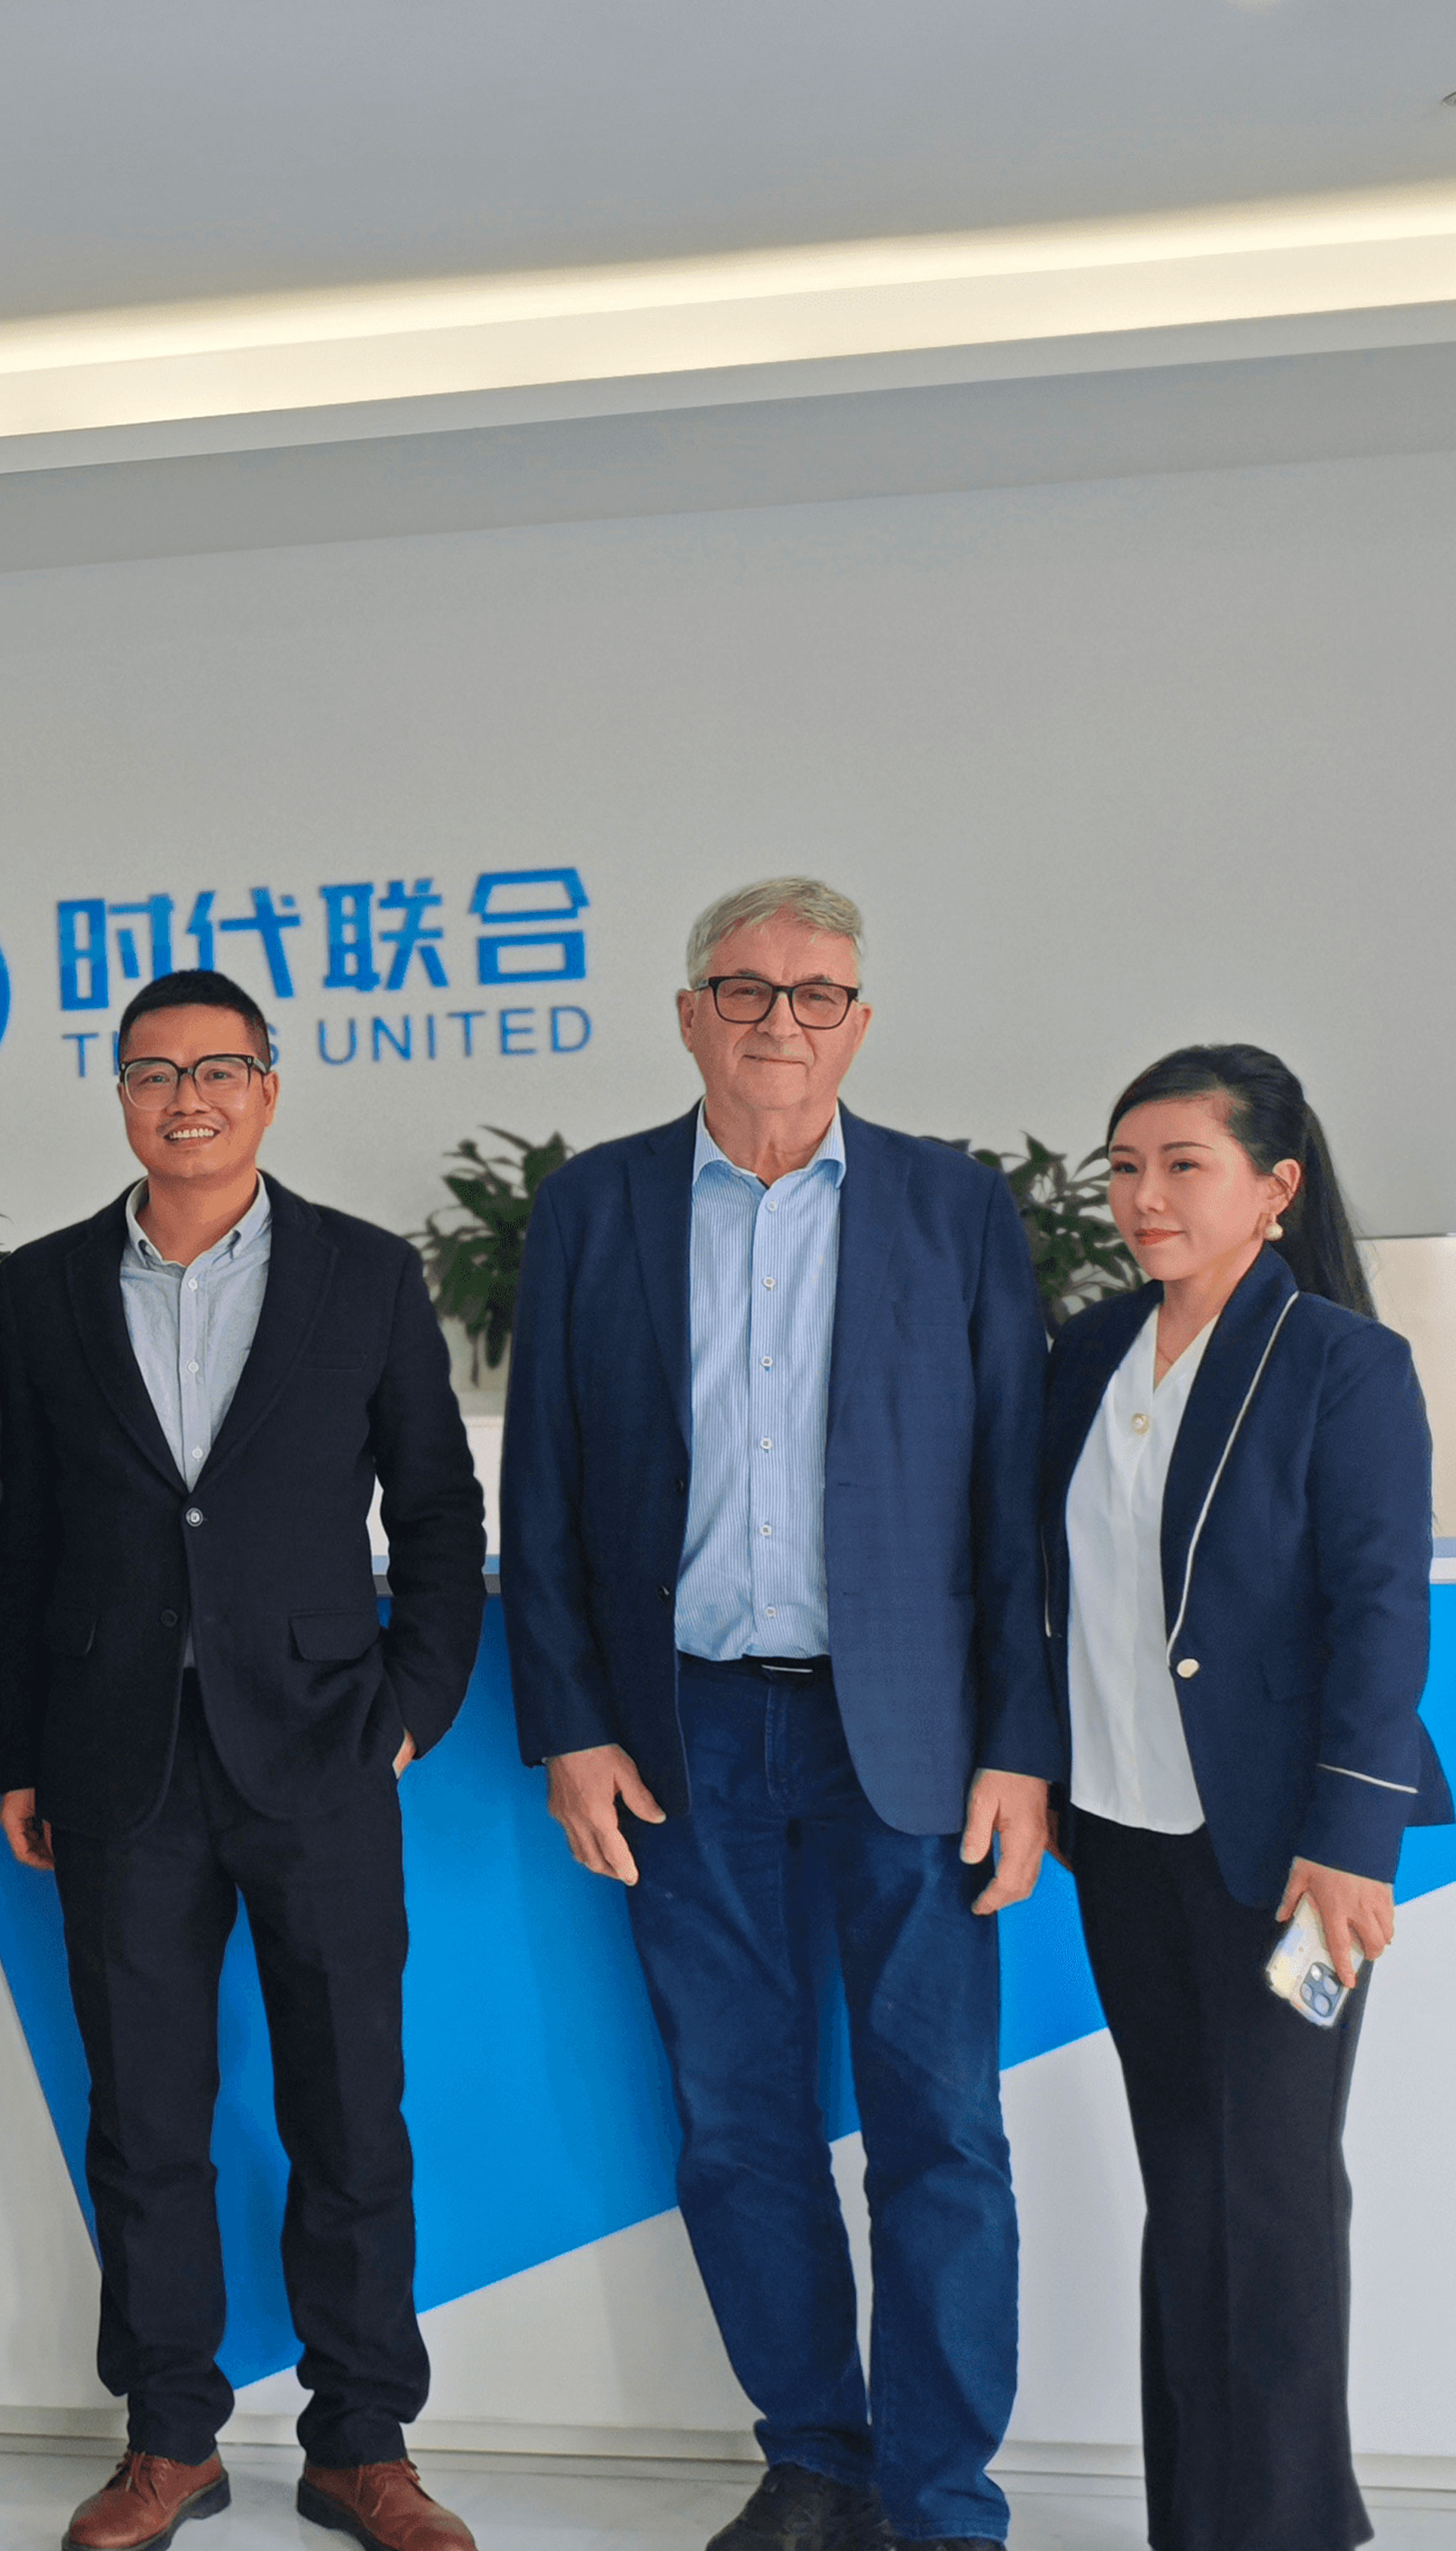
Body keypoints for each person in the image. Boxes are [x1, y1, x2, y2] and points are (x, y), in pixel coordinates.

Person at [499, 880, 1052, 2551]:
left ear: (860, 1024)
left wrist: (1020, 1744)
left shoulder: (952, 1208)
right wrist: (570, 1725)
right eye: (746, 990)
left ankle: (942, 2502)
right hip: (681, 1739)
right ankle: (818, 2459)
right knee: (738, 2125)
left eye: (818, 995)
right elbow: (545, 1488)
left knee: (941, 2129)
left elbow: (1011, 1501)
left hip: (915, 1740)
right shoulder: (594, 1208)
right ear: (691, 1016)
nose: (781, 1023)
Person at [0, 970, 489, 2551]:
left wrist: (408, 1707)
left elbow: (438, 1510)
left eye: (216, 1070)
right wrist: (23, 1754)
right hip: (117, 1763)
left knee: (350, 2111)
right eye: (153, 1073)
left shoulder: (362, 1273)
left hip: (323, 1750)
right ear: (120, 1096)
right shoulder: (48, 1289)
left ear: (269, 1088)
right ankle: (169, 2438)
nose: (185, 1098)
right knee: (145, 2119)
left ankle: (363, 2441)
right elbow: (27, 1539)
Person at [1041, 1045, 1443, 2551]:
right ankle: (1207, 2523)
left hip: (1290, 1862)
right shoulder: (1089, 1353)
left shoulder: (1344, 1362)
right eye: (1124, 1167)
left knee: (1270, 2191)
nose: (1143, 1196)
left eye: (1182, 1165)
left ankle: (1288, 2528)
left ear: (1275, 1188)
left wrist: (1350, 1843)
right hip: (1122, 1841)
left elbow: (1378, 1614)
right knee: (1189, 2183)